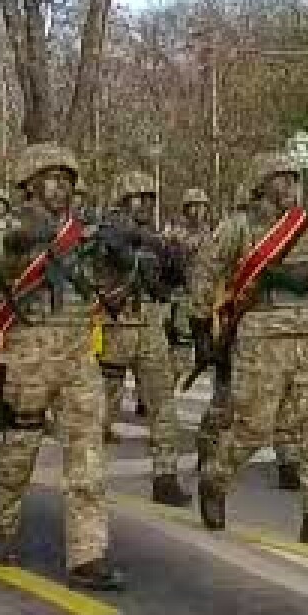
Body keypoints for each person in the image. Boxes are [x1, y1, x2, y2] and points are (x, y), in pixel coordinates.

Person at [0, 142, 127, 591]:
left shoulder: (85, 232)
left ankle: (88, 552)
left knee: (87, 457)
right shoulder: (10, 224)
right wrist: (26, 238)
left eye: (66, 179)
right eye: (50, 178)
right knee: (20, 449)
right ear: (30, 184)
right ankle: (2, 526)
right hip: (28, 355)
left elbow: (111, 291)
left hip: (78, 356)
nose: (59, 188)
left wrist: (121, 257)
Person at [191, 152, 308, 549]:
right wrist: (201, 330)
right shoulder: (239, 228)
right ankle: (215, 477)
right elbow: (205, 271)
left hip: (307, 341)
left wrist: (302, 274)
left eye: (294, 179)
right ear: (261, 184)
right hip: (259, 339)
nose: (290, 187)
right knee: (253, 429)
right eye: (281, 179)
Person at [93, 170, 188, 508]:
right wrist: (150, 244)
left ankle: (165, 476)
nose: (147, 204)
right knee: (102, 409)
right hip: (116, 326)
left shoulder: (154, 236)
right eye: (140, 198)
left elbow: (174, 278)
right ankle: (91, 478)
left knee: (162, 404)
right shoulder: (108, 229)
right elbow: (114, 246)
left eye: (151, 198)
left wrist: (172, 255)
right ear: (123, 201)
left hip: (149, 326)